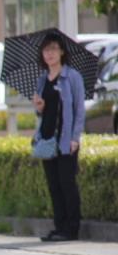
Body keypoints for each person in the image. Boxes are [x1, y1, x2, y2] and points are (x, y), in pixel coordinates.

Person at [32, 31, 86, 242]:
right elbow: (41, 112)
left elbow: (79, 110)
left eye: (53, 49)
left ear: (62, 51)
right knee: (54, 186)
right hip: (47, 139)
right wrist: (39, 107)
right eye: (46, 50)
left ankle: (71, 229)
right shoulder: (42, 79)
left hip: (66, 141)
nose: (50, 54)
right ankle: (59, 227)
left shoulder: (72, 77)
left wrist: (75, 138)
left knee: (67, 184)